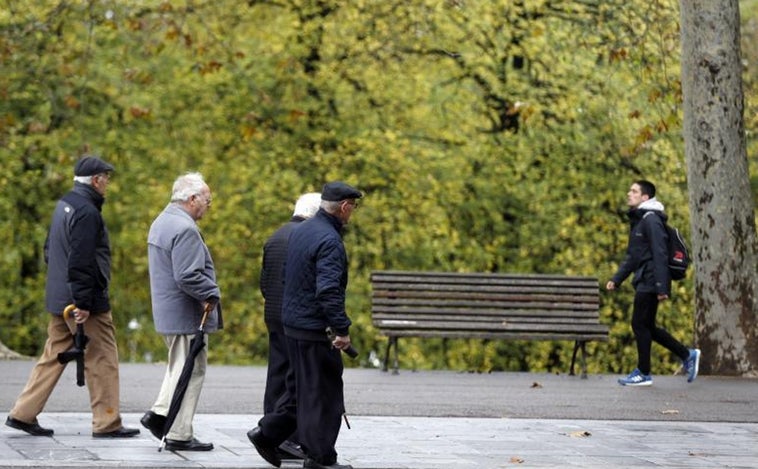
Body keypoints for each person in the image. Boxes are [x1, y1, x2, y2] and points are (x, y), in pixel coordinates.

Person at [5, 155, 140, 438]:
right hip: (81, 302)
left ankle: (23, 413)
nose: (108, 183)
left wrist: (64, 291)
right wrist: (83, 302)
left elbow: (49, 251)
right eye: (106, 178)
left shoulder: (64, 204)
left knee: (54, 355)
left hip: (59, 296)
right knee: (102, 357)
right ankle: (107, 423)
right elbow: (81, 261)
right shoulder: (87, 213)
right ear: (95, 180)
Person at [248, 181, 361, 469]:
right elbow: (328, 291)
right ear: (345, 206)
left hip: (293, 326)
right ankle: (320, 457)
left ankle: (267, 434)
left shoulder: (301, 232)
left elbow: (286, 278)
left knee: (299, 388)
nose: (353, 213)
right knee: (323, 393)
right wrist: (342, 329)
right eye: (354, 207)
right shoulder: (330, 241)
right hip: (314, 329)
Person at [140, 172, 221, 451]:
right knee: (191, 370)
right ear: (192, 198)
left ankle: (160, 414)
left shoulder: (162, 221)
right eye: (207, 200)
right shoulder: (184, 228)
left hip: (169, 312)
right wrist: (212, 292)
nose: (209, 206)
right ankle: (178, 432)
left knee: (179, 367)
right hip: (186, 314)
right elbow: (187, 275)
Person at [606, 180, 700, 386]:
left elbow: (660, 253)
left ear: (645, 197)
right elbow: (633, 257)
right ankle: (687, 354)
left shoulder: (651, 220)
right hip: (646, 278)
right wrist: (616, 279)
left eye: (634, 191)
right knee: (647, 326)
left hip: (650, 280)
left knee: (639, 324)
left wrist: (661, 287)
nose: (628, 194)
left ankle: (644, 372)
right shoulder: (641, 221)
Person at [259, 192, 322, 461]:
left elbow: (265, 280)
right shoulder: (306, 238)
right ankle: (286, 437)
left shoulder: (275, 236)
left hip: (273, 313)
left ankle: (270, 432)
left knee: (277, 374)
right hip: (295, 318)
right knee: (297, 379)